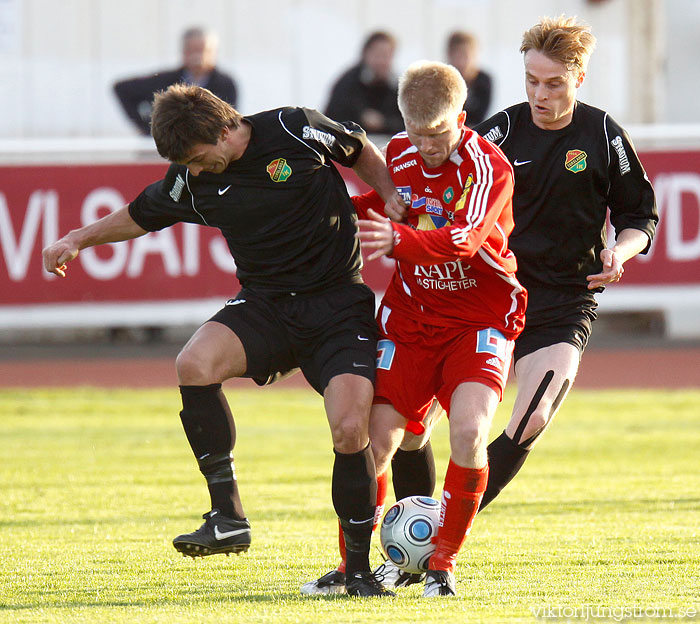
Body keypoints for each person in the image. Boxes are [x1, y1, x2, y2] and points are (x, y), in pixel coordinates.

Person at [42, 84, 406, 598]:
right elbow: (140, 214)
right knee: (194, 363)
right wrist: (75, 239)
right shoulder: (193, 180)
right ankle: (227, 515)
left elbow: (359, 150)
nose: (192, 171)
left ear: (226, 130)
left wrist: (390, 192)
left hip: (336, 305)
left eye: (196, 158)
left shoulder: (293, 127)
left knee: (351, 431)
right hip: (266, 305)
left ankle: (359, 571)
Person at [387, 15, 658, 534]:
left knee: (532, 418)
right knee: (411, 428)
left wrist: (621, 251)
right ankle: (411, 540)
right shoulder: (499, 132)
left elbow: (639, 215)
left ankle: (438, 534)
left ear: (578, 78)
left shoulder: (603, 135)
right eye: (531, 80)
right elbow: (440, 187)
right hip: (487, 296)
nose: (540, 93)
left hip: (563, 301)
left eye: (554, 83)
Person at [301, 60, 526, 598]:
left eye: (439, 133)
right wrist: (325, 215)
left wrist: (397, 241)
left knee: (470, 433)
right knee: (372, 443)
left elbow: (466, 239)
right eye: (418, 133)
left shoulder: (487, 167)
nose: (427, 146)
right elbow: (379, 203)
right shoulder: (398, 153)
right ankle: (352, 567)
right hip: (409, 322)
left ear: (463, 119)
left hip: (480, 320)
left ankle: (443, 563)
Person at [114, 27, 238, 135]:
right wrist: (147, 127)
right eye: (192, 50)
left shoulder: (225, 83)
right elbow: (122, 88)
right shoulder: (166, 81)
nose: (198, 57)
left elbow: (230, 121)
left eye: (202, 50)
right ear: (184, 52)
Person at [324, 31, 404, 137]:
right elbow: (333, 119)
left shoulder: (397, 87)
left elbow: (408, 123)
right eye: (377, 54)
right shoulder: (348, 83)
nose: (381, 61)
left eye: (386, 55)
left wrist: (384, 122)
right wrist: (361, 118)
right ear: (365, 53)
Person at [446, 31, 492, 126]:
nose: (462, 62)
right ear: (449, 56)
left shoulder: (484, 81)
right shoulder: (442, 81)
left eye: (466, 56)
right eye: (457, 56)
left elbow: (481, 117)